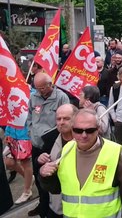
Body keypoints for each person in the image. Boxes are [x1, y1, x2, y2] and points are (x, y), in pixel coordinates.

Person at [39, 109, 122, 218]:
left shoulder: (114, 153)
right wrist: (44, 175)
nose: (84, 135)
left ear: (98, 129)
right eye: (78, 130)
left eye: (90, 130)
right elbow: (55, 188)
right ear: (72, 130)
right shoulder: (66, 151)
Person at [27, 73, 70, 217]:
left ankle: (51, 207)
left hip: (52, 144)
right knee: (38, 177)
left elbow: (66, 121)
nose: (40, 91)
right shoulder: (34, 97)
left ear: (50, 84)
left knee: (50, 178)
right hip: (36, 144)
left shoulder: (61, 97)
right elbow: (29, 116)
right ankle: (42, 204)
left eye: (42, 88)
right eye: (37, 88)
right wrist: (30, 132)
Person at [37, 104, 78, 217]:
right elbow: (40, 170)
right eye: (58, 119)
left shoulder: (85, 139)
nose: (61, 122)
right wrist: (40, 161)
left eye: (66, 118)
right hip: (55, 205)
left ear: (76, 118)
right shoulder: (49, 139)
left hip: (79, 208)